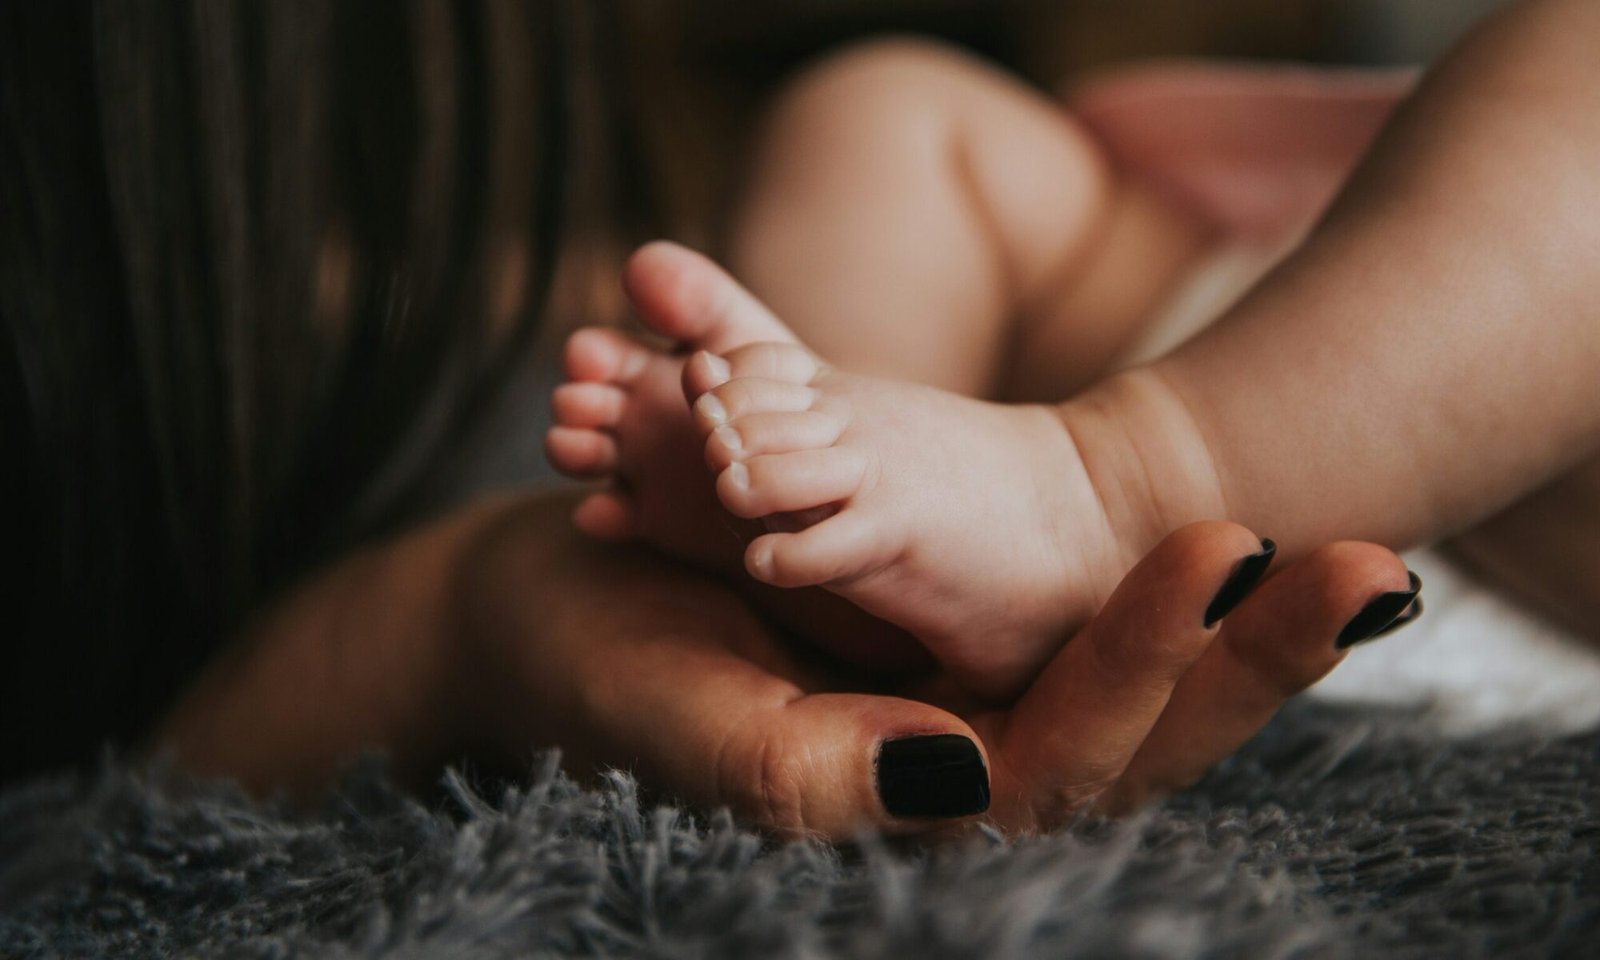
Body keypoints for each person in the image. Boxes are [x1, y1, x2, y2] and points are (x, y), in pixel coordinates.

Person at [546, 0, 1600, 709]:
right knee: (889, 104)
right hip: (1234, 313)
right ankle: (849, 496)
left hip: (1525, 517)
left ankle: (1110, 491)